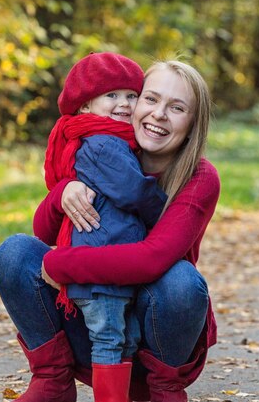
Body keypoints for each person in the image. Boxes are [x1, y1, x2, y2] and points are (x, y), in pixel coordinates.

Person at [0, 59, 220, 402]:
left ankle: (162, 390)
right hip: (91, 326)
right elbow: (45, 232)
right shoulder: (105, 149)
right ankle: (52, 380)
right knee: (15, 252)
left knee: (182, 282)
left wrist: (60, 266)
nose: (159, 114)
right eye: (151, 99)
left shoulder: (199, 176)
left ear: (192, 124)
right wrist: (62, 193)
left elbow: (151, 259)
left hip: (154, 337)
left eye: (176, 108)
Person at [43, 52, 169, 402]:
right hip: (100, 269)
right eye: (111, 96)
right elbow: (132, 190)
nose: (125, 104)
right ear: (84, 106)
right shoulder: (103, 144)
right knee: (110, 339)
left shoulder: (113, 139)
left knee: (124, 338)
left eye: (131, 95)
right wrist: (163, 208)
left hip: (109, 265)